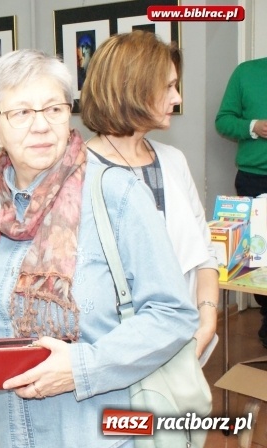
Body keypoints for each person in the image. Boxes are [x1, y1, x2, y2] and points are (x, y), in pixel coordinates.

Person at [0, 49, 199, 448]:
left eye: (53, 109)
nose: (41, 126)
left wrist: (82, 367)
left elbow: (173, 313)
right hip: (2, 438)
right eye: (21, 113)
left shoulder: (117, 194)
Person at [81, 31, 218, 358]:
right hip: (109, 358)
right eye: (168, 86)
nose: (178, 97)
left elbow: (204, 249)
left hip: (184, 349)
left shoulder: (173, 161)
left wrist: (207, 320)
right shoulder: (78, 173)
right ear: (134, 89)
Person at [216, 56, 267, 347]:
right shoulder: (246, 73)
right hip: (254, 180)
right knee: (258, 258)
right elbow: (223, 121)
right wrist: (253, 127)